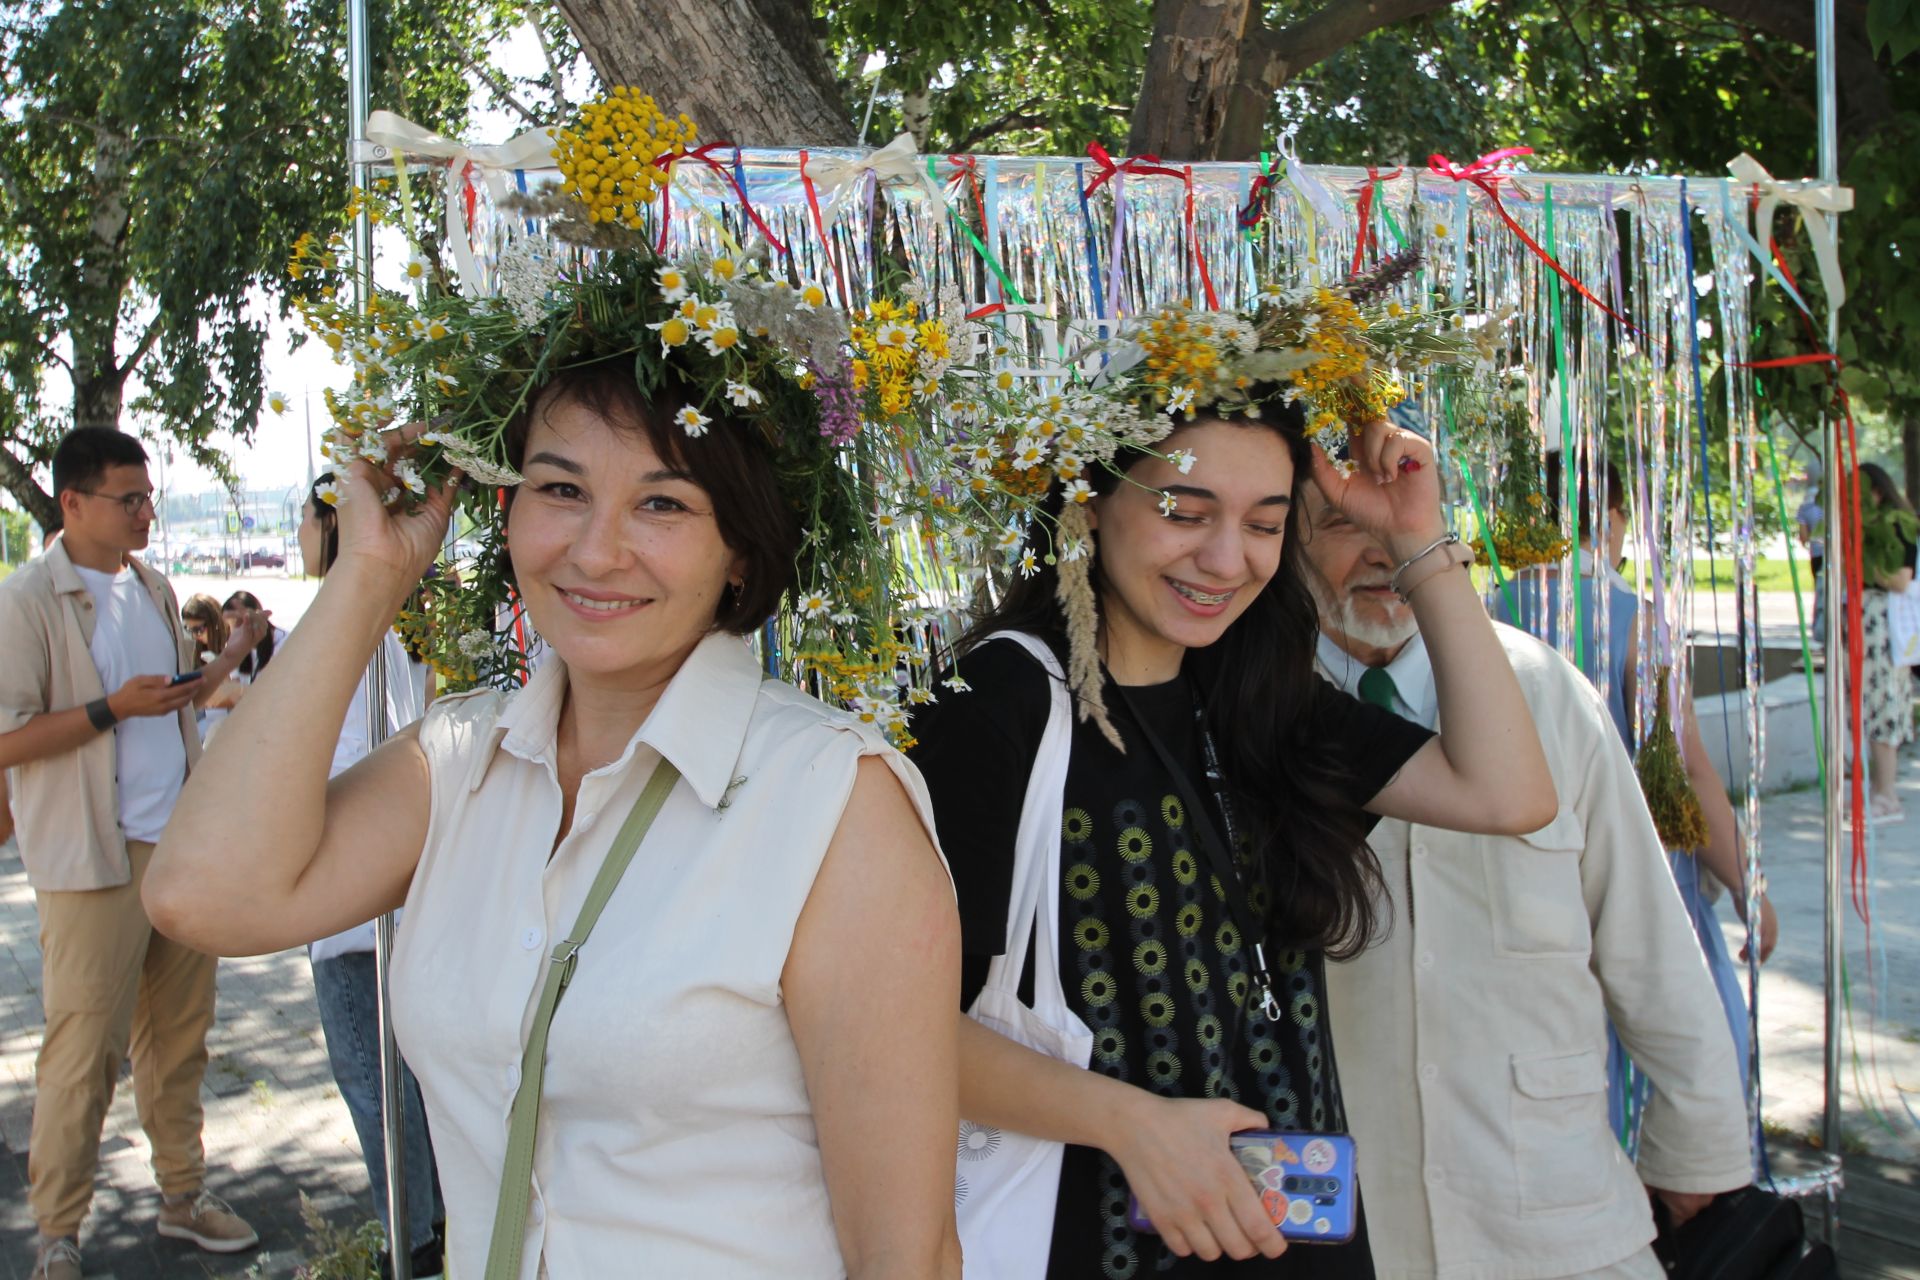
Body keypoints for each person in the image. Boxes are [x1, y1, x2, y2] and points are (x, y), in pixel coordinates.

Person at [143, 360, 964, 1276]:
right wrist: (368, 575)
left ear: (739, 549)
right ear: (506, 509)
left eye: (663, 505)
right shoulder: (461, 761)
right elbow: (201, 894)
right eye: (562, 489)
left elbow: (908, 1254)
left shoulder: (830, 799)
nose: (597, 550)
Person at [910, 400, 1557, 1277]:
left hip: (1298, 1234)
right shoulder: (1001, 704)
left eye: (1265, 524)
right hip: (1086, 1239)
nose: (1225, 560)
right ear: (1089, 502)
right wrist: (1129, 1124)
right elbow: (889, 1024)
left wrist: (1419, 544)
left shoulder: (1260, 693)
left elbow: (1509, 792)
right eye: (1185, 511)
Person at [1300, 476, 1754, 1279]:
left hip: (1559, 1219)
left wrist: (1701, 1153)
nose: (1382, 552)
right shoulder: (1253, 708)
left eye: (1405, 521)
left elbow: (1647, 939)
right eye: (1342, 522)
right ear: (1289, 536)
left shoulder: (1545, 691)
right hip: (1342, 1226)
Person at [0, 428, 267, 1280]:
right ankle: (57, 1235)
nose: (148, 511)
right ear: (72, 503)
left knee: (181, 1039)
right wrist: (112, 709)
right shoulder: (27, 602)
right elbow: (7, 738)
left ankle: (183, 1195)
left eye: (150, 496)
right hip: (91, 861)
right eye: (131, 499)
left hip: (178, 849)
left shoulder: (153, 586)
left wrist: (225, 658)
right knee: (84, 1055)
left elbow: (178, 701)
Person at [295, 474, 445, 1277]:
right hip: (392, 902)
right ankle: (425, 1235)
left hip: (360, 913)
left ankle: (414, 1246)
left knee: (383, 1094)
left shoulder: (339, 633)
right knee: (412, 1094)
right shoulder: (409, 627)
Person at [1856, 462, 1915, 822]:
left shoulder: (1896, 525)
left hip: (1884, 625)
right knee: (1873, 703)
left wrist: (1861, 564)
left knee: (1883, 704)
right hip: (1871, 623)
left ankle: (1887, 794)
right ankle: (1879, 791)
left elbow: (1901, 580)